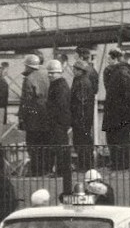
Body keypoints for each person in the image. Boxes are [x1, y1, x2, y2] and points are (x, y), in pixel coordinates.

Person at [102, 48, 130, 171]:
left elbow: (126, 93)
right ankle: (121, 163)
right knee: (121, 138)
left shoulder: (118, 72)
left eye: (109, 59)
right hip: (120, 113)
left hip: (117, 112)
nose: (107, 62)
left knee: (117, 139)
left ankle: (120, 163)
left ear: (114, 59)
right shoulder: (124, 71)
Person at [19, 54, 50, 176]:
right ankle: (45, 170)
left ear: (28, 66)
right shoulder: (48, 75)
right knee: (45, 145)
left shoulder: (29, 79)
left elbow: (26, 101)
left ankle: (36, 171)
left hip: (33, 120)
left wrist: (22, 117)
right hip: (46, 117)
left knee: (33, 146)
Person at [43, 59, 72, 192]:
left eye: (53, 73)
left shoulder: (58, 86)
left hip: (58, 122)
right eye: (49, 73)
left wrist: (55, 120)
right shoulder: (60, 84)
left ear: (59, 73)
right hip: (60, 121)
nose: (50, 75)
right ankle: (61, 169)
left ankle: (61, 170)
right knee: (59, 146)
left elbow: (60, 105)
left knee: (60, 146)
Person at [70, 60, 95, 172]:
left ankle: (84, 165)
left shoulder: (81, 82)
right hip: (84, 117)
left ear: (80, 71)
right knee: (84, 141)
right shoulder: (84, 81)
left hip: (81, 118)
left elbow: (81, 102)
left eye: (75, 69)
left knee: (81, 141)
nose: (73, 71)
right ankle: (85, 164)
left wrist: (77, 118)